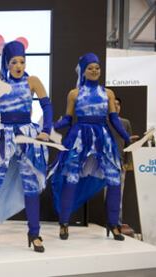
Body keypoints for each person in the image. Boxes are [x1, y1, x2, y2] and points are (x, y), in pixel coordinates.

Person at [0, 41, 52, 252]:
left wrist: (46, 130)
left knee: (31, 187)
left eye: (22, 61)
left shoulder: (33, 81)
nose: (19, 65)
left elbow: (47, 105)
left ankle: (34, 233)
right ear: (7, 64)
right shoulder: (0, 84)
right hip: (4, 137)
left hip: (26, 136)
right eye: (14, 62)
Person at [50, 53, 130, 241]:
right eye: (90, 68)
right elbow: (68, 119)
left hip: (103, 138)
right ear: (83, 71)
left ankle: (113, 224)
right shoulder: (74, 93)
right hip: (80, 138)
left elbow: (114, 119)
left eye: (97, 67)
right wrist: (49, 127)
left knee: (114, 180)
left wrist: (127, 137)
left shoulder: (108, 93)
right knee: (71, 179)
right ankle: (64, 223)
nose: (94, 70)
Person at [108, 97, 138, 236]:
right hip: (104, 162)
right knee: (103, 194)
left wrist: (127, 163)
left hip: (120, 163)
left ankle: (116, 223)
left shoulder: (125, 123)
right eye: (114, 104)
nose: (116, 106)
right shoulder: (103, 122)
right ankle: (105, 222)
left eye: (118, 104)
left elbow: (129, 145)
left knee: (117, 195)